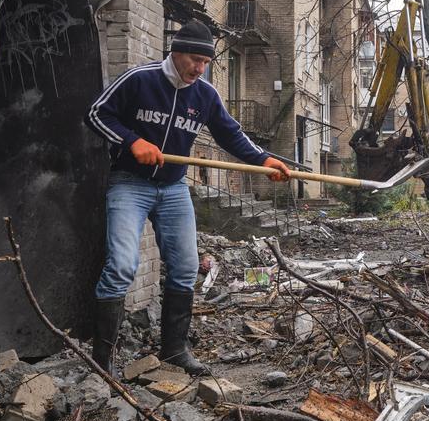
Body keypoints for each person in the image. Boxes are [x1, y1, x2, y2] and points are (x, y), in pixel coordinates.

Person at [85, 21, 291, 377]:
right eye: (195, 60)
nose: (200, 68)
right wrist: (132, 142)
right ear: (176, 53)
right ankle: (102, 361)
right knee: (121, 266)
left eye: (205, 62)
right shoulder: (140, 79)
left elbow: (230, 134)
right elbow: (96, 113)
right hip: (129, 183)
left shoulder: (205, 95)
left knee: (184, 267)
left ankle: (174, 350)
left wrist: (264, 159)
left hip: (174, 188)